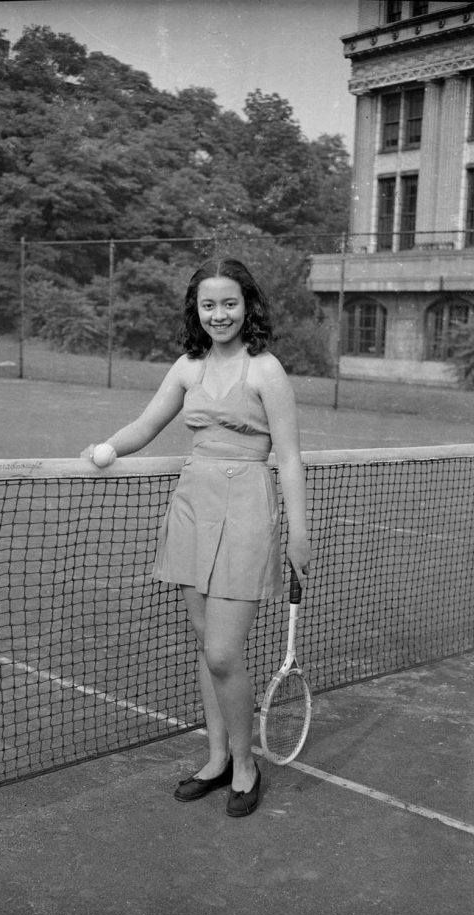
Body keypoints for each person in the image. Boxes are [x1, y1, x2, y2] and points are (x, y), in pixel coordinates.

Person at [82, 258, 310, 817]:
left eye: (229, 302)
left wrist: (299, 533)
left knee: (224, 652)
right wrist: (106, 449)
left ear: (247, 305)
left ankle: (247, 763)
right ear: (196, 310)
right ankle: (216, 759)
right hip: (192, 509)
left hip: (248, 512)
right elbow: (145, 424)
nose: (219, 314)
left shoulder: (266, 371)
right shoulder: (187, 367)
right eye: (208, 304)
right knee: (207, 649)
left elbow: (290, 459)